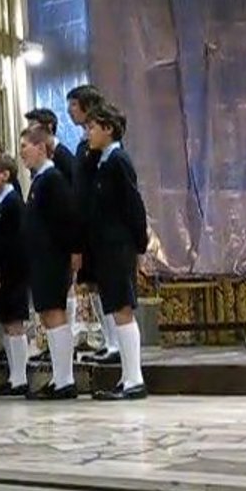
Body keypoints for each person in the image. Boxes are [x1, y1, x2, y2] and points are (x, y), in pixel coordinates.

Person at [84, 105, 149, 401]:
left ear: (108, 129)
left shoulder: (118, 160)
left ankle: (135, 378)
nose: (88, 134)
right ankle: (126, 376)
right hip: (107, 246)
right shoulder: (102, 162)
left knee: (122, 309)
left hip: (119, 245)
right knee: (115, 309)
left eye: (92, 128)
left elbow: (133, 205)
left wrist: (138, 243)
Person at [20, 127, 82, 400]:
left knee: (55, 314)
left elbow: (67, 219)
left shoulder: (53, 179)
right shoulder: (39, 180)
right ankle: (58, 378)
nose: (22, 152)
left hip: (53, 258)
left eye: (26, 146)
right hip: (40, 258)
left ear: (41, 148)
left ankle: (65, 379)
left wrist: (73, 251)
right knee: (47, 315)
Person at [66, 84, 119, 363]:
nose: (69, 111)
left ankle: (115, 343)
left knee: (106, 286)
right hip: (86, 226)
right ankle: (109, 340)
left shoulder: (103, 151)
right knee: (95, 286)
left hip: (101, 228)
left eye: (73, 105)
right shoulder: (85, 146)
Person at [0, 155, 31, 396]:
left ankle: (20, 377)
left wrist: (4, 271)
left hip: (12, 273)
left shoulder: (13, 202)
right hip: (0, 272)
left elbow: (16, 242)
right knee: (6, 324)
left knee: (15, 324)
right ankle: (13, 376)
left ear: (5, 174)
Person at [25, 108, 74, 185]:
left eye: (32, 125)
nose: (29, 131)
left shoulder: (63, 156)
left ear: (49, 127)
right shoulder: (39, 157)